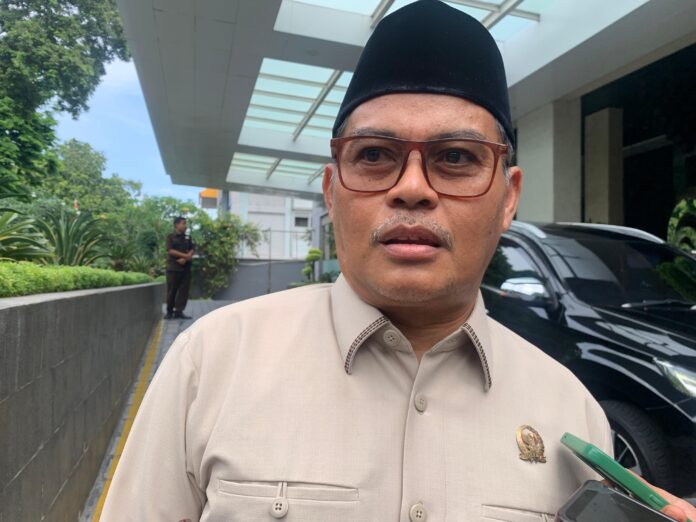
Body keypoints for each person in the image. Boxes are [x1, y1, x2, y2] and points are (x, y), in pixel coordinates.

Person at [101, 1, 695, 520]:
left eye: (456, 157)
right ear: (332, 190)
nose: (412, 188)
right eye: (375, 155)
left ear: (508, 197)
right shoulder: (211, 364)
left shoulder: (570, 410)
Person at [165, 216, 194, 320]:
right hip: (173, 268)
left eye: (185, 224)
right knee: (172, 291)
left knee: (183, 291)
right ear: (177, 225)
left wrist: (186, 258)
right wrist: (185, 256)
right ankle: (169, 312)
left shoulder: (188, 237)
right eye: (183, 223)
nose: (185, 226)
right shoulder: (171, 237)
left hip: (185, 269)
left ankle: (179, 311)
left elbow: (192, 249)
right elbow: (170, 250)